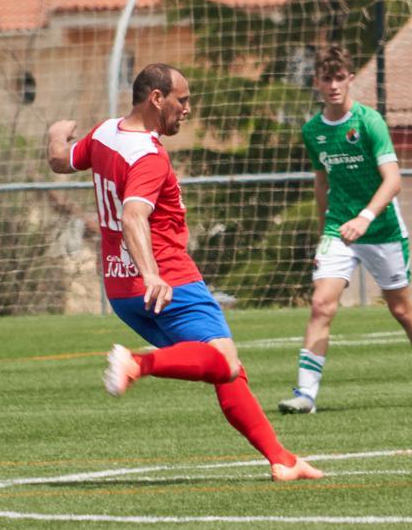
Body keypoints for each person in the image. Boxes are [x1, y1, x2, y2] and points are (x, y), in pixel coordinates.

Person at [46, 63, 322, 481]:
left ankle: (282, 460)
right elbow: (134, 216)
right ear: (157, 99)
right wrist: (154, 274)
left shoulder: (104, 133)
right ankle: (138, 364)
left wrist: (55, 133)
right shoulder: (149, 156)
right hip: (167, 281)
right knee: (224, 362)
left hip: (121, 291)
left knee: (224, 367)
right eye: (183, 99)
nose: (188, 108)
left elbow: (60, 160)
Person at [276, 45, 412, 415]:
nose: (334, 85)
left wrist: (365, 217)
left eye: (340, 77)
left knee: (401, 309)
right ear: (317, 83)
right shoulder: (313, 131)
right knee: (321, 304)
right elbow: (321, 183)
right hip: (339, 229)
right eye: (327, 78)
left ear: (350, 79)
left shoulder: (368, 121)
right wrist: (327, 230)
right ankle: (306, 394)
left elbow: (393, 180)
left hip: (382, 228)